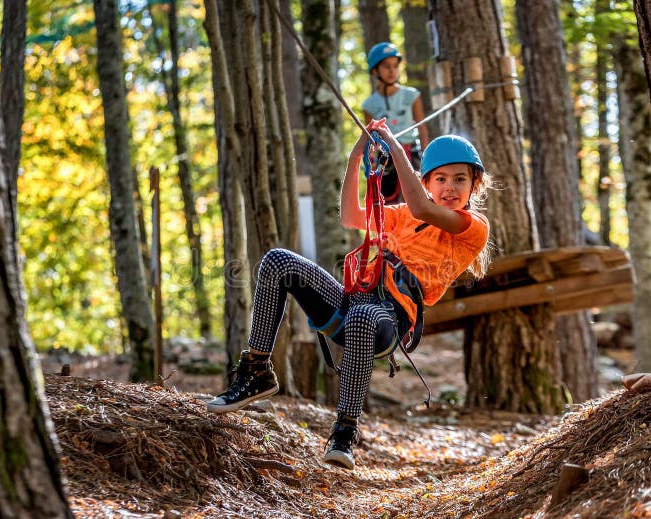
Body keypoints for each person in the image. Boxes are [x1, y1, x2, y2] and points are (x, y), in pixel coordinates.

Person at [207, 119, 491, 471]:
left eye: (460, 179)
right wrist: (357, 153)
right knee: (278, 262)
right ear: (427, 182)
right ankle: (257, 371)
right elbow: (349, 216)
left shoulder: (472, 227)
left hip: (391, 319)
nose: (450, 187)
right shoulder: (401, 216)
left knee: (363, 317)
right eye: (441, 179)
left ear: (474, 184)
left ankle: (345, 430)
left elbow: (422, 208)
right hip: (356, 301)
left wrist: (394, 147)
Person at [362, 42, 430, 203]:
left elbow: (422, 128)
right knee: (389, 202)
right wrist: (370, 162)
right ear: (375, 70)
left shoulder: (411, 95)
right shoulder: (369, 105)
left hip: (411, 154)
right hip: (386, 159)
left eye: (395, 66)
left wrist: (427, 160)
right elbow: (370, 140)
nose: (392, 71)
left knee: (420, 198)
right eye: (386, 66)